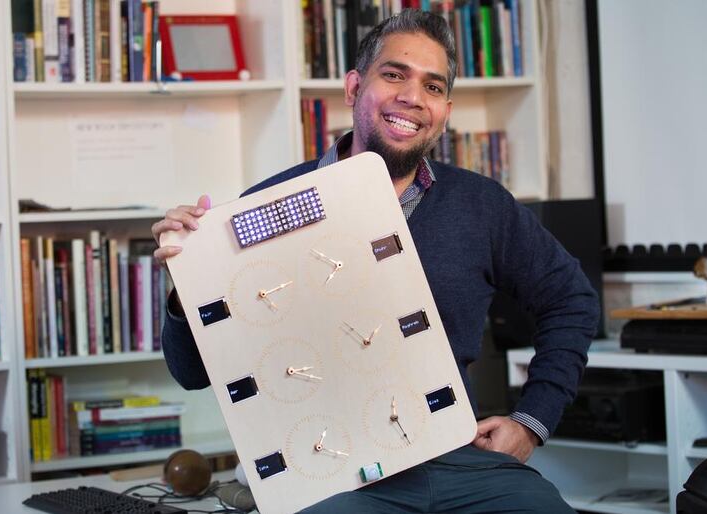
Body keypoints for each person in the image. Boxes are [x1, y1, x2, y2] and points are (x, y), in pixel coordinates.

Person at [153, 9, 599, 514]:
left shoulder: (482, 205)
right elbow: (191, 373)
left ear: (445, 111)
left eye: (432, 87)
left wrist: (532, 421)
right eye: (394, 75)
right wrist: (185, 282)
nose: (412, 97)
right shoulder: (266, 206)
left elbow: (572, 300)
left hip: (455, 456)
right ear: (353, 88)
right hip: (328, 471)